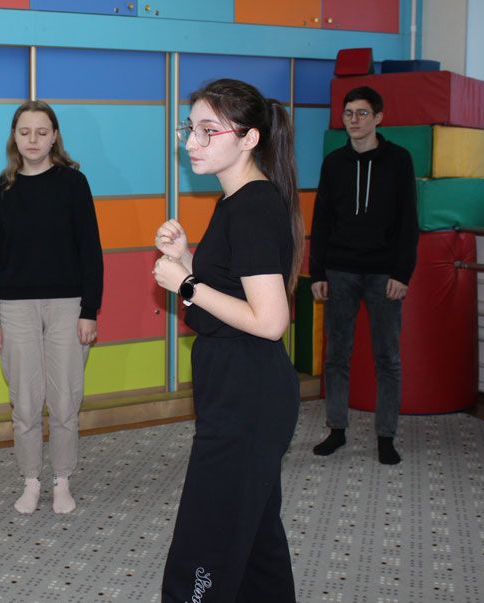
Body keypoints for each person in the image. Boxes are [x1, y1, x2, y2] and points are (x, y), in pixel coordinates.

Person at [153, 79, 304, 601]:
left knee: (206, 541)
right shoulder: (237, 200)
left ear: (249, 138)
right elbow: (237, 289)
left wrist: (188, 285)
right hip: (238, 386)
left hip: (248, 394)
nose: (191, 142)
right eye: (189, 129)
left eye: (207, 131)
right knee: (255, 540)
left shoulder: (253, 206)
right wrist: (188, 260)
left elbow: (270, 320)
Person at [0, 100, 103, 515]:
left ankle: (62, 480)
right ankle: (31, 480)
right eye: (25, 132)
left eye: (42, 132)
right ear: (14, 137)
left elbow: (90, 250)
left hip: (68, 305)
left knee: (65, 402)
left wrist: (89, 309)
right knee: (26, 403)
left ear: (54, 137)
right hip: (14, 308)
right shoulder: (1, 190)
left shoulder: (74, 184)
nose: (33, 140)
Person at [309, 86, 419, 465]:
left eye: (362, 113)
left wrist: (402, 272)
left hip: (384, 274)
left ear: (378, 118)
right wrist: (317, 271)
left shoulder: (399, 160)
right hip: (339, 271)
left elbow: (409, 221)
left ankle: (386, 436)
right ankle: (336, 429)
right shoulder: (333, 163)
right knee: (336, 355)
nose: (354, 120)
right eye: (348, 114)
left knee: (387, 357)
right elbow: (321, 220)